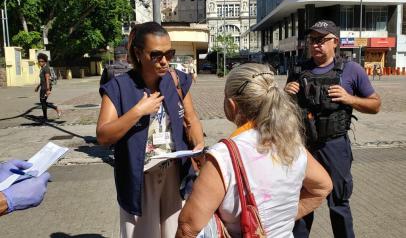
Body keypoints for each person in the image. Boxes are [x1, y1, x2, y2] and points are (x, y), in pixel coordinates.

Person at [176, 63, 333, 238]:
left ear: (231, 105)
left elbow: (188, 228)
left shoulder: (224, 155)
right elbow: (322, 187)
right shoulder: (290, 143)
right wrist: (281, 219)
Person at [96, 22, 204, 238]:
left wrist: (199, 149)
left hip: (175, 174)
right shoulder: (120, 87)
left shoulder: (177, 80)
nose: (164, 61)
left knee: (177, 232)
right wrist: (138, 111)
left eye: (169, 53)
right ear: (138, 52)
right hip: (140, 179)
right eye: (156, 54)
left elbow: (191, 119)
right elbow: (103, 136)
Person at [284, 20, 381, 238]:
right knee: (303, 201)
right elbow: (284, 110)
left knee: (338, 203)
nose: (316, 44)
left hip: (334, 146)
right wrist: (285, 94)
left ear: (335, 42)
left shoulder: (351, 70)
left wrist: (349, 98)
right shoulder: (299, 70)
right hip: (304, 146)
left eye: (322, 40)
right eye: (313, 40)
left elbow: (375, 105)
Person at [35, 53, 62, 122]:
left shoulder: (46, 68)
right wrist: (38, 86)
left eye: (42, 61)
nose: (40, 62)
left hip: (45, 87)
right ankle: (54, 110)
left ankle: (46, 117)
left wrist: (48, 89)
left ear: (45, 61)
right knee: (43, 102)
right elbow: (42, 80)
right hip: (43, 87)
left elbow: (47, 79)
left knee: (43, 102)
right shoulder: (42, 68)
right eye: (39, 61)